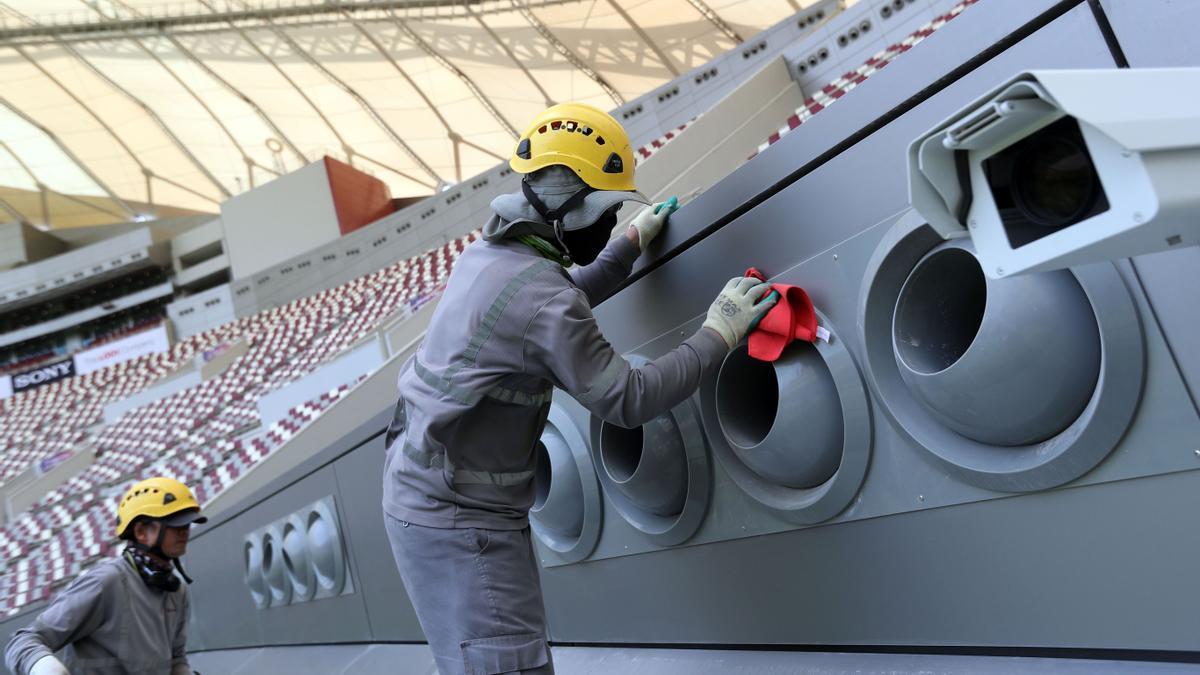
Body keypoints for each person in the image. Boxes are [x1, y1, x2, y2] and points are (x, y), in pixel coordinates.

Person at [382, 102, 776, 675]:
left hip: (426, 494)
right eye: (607, 210)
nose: (610, 222)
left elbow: (549, 309)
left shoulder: (491, 255)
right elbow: (627, 398)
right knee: (505, 664)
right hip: (461, 522)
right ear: (568, 209)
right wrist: (719, 331)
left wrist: (626, 248)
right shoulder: (540, 295)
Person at [5, 477, 207, 675]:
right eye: (175, 525)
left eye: (187, 526)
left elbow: (176, 659)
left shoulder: (177, 590)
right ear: (141, 532)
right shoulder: (105, 581)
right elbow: (23, 642)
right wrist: (48, 669)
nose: (184, 532)